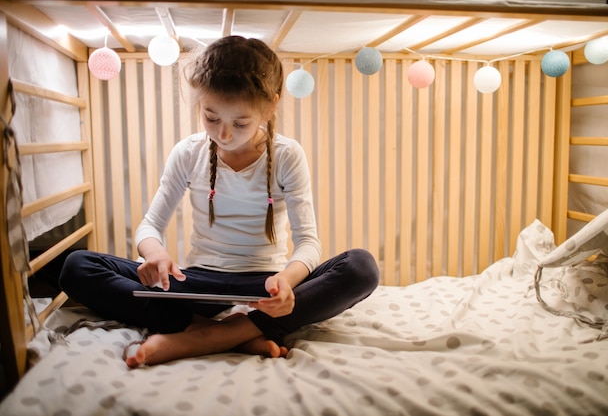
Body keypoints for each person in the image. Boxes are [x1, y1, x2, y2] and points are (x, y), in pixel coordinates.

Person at [59, 35, 380, 368]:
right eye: (211, 118)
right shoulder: (188, 152)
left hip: (265, 285)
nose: (224, 135)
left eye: (240, 123)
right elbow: (150, 225)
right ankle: (228, 333)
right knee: (78, 266)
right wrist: (154, 253)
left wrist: (285, 282)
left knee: (360, 267)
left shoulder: (287, 155)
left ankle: (207, 337)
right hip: (196, 283)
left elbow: (308, 243)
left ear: (270, 106)